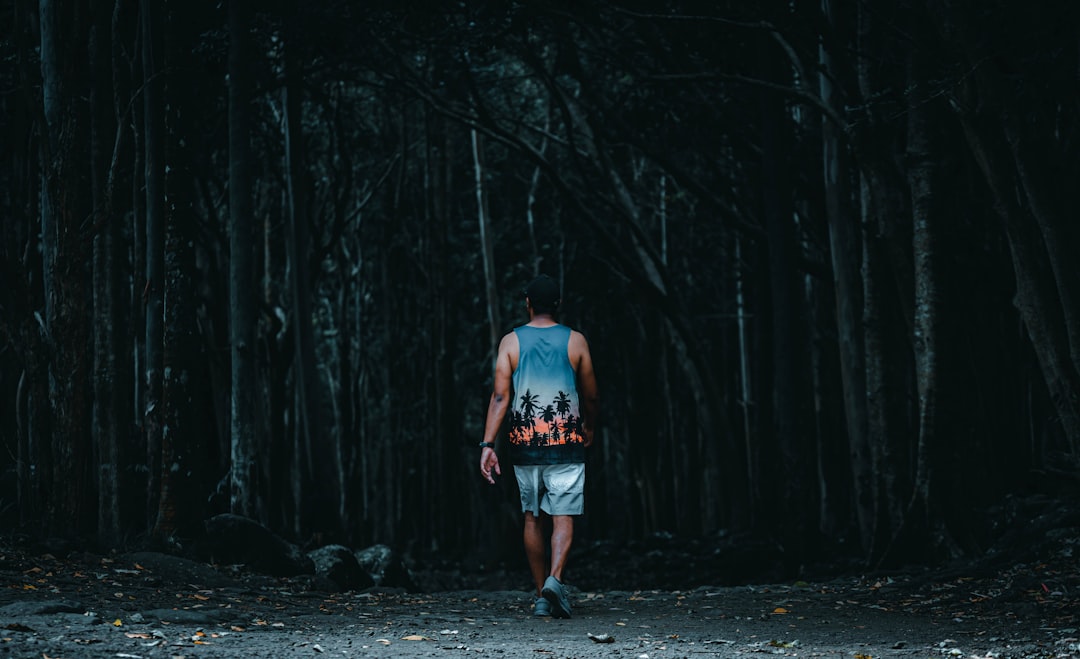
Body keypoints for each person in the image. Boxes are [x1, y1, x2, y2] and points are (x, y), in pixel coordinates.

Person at [479, 274, 598, 618]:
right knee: (563, 517)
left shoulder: (510, 343)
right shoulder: (575, 341)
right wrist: (589, 425)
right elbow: (591, 394)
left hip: (524, 442)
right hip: (567, 441)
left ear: (527, 303)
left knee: (532, 517)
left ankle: (542, 596)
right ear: (557, 304)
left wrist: (488, 443)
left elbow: (501, 396)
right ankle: (554, 579)